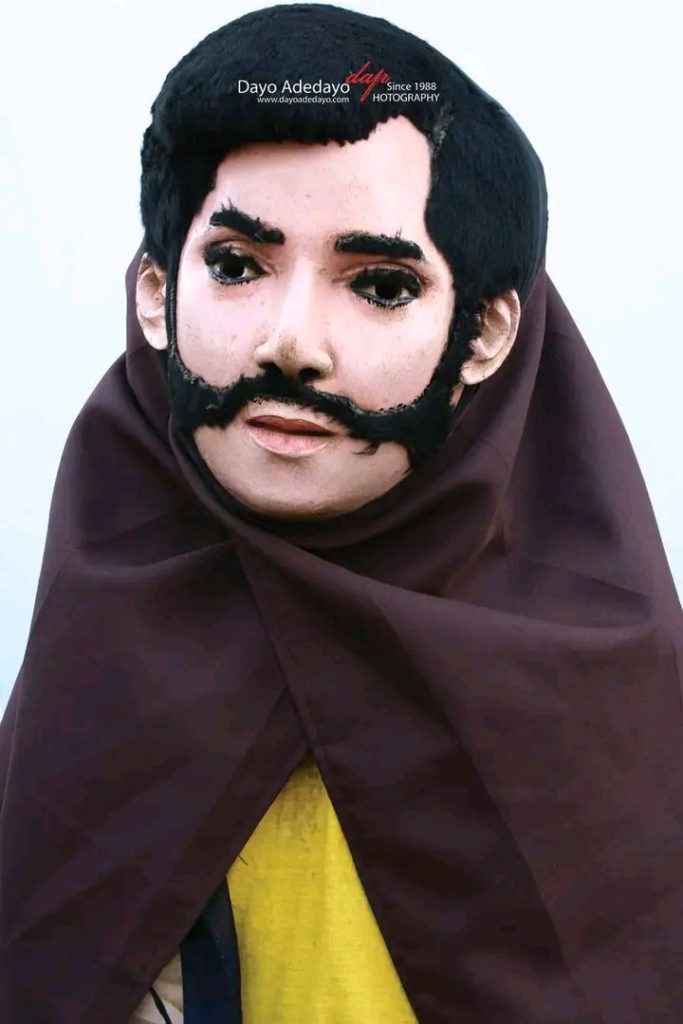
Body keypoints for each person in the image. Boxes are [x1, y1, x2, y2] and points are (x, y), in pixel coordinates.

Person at [1, 5, 681, 1023]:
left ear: (486, 334)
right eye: (235, 265)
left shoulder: (602, 673)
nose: (290, 342)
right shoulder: (107, 607)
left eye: (381, 285)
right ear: (154, 294)